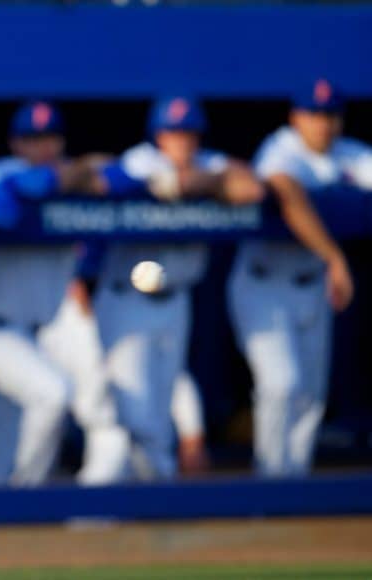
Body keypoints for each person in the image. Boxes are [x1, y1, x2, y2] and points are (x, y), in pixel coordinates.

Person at [92, 95, 263, 480]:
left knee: (158, 408)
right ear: (158, 136)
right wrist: (193, 184)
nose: (181, 142)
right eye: (172, 133)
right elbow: (120, 180)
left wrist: (204, 181)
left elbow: (251, 189)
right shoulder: (141, 161)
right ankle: (117, 503)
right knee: (131, 411)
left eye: (188, 134)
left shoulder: (209, 163)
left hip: (174, 301)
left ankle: (155, 499)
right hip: (126, 299)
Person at [228, 79, 372, 477]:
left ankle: (294, 483)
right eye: (314, 114)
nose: (323, 124)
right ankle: (271, 481)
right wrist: (335, 258)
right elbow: (288, 195)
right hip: (264, 285)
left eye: (330, 115)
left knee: (310, 398)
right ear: (296, 118)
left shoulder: (349, 154)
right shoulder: (280, 150)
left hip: (312, 287)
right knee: (281, 384)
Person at [0, 101, 101, 486]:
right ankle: (26, 493)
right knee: (53, 394)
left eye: (50, 138)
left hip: (32, 334)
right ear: (16, 144)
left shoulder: (78, 182)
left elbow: (111, 174)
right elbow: (6, 194)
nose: (43, 148)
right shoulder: (3, 173)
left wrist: (84, 173)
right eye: (32, 140)